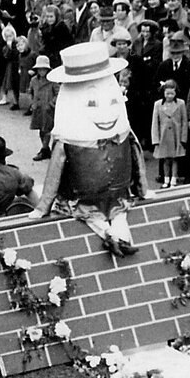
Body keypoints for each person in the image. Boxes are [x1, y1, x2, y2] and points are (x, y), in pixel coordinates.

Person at [29, 42, 151, 257]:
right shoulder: (67, 138)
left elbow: (135, 151)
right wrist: (42, 207)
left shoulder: (122, 130)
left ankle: (118, 238)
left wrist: (143, 189)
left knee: (118, 212)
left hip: (116, 196)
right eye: (92, 103)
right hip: (82, 199)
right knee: (95, 215)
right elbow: (56, 168)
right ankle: (112, 237)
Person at [152, 79, 187, 187]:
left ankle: (174, 179)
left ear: (176, 92)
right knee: (166, 159)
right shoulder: (158, 104)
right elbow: (155, 123)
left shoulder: (181, 104)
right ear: (163, 93)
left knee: (175, 158)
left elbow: (184, 121)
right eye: (167, 93)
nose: (170, 96)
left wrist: (183, 138)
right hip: (163, 136)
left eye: (172, 93)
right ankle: (166, 179)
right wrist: (155, 140)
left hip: (176, 135)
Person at [29, 55, 58, 160]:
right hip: (38, 109)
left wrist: (51, 104)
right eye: (39, 69)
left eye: (44, 69)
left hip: (48, 110)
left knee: (47, 129)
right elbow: (31, 92)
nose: (42, 71)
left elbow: (58, 94)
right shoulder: (33, 81)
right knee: (40, 130)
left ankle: (44, 149)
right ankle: (45, 149)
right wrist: (33, 103)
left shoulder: (53, 81)